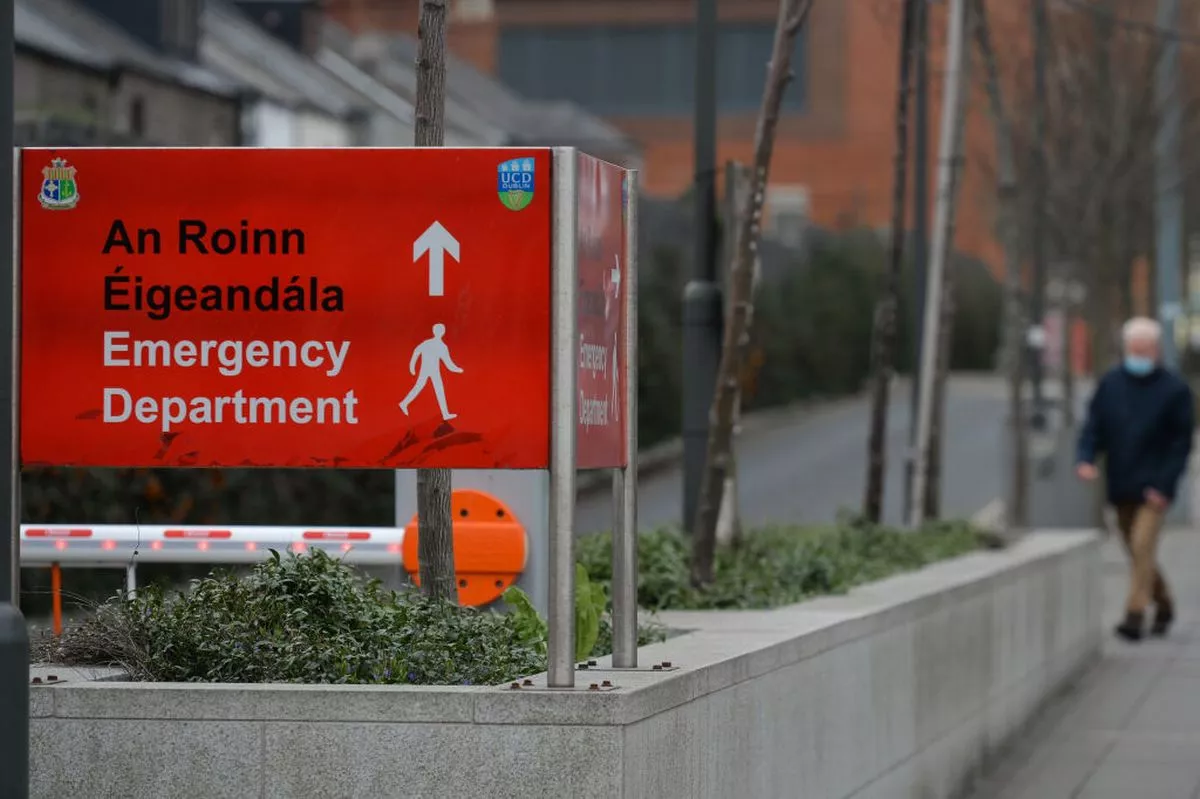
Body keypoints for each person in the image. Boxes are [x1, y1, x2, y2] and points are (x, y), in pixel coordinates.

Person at [1076, 317, 1194, 641]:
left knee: (1144, 543)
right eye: (1134, 349)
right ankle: (1165, 603)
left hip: (1154, 487)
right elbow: (1094, 427)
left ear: (1156, 350)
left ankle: (1134, 614)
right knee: (1136, 550)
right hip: (1121, 482)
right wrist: (1085, 458)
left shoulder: (1174, 390)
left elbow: (1180, 444)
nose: (1139, 355)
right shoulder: (1111, 385)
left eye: (1145, 349)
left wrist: (1165, 485)